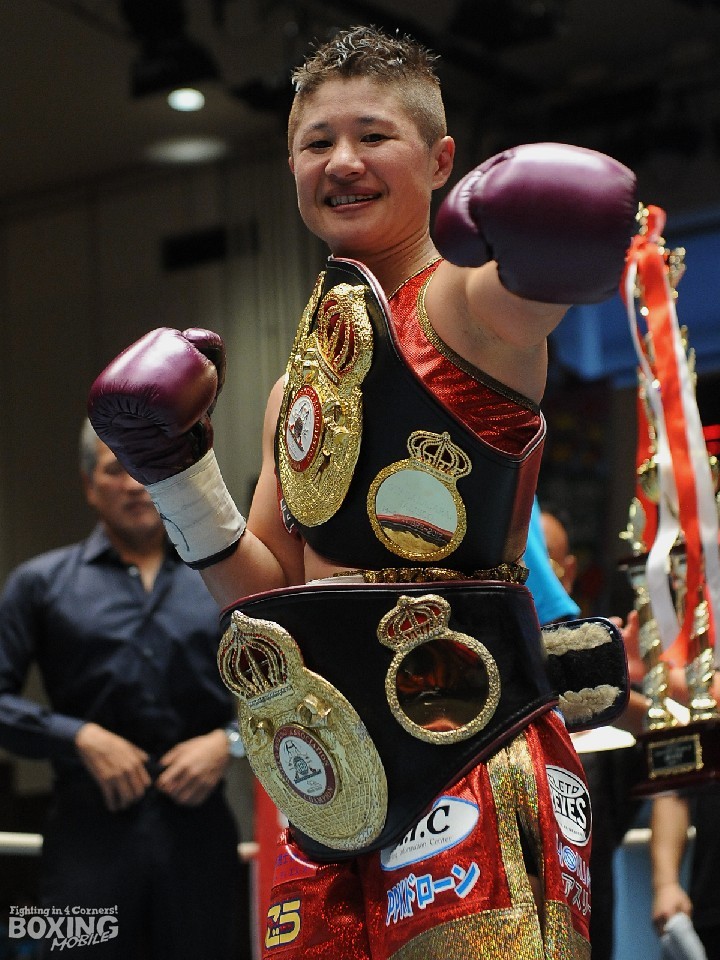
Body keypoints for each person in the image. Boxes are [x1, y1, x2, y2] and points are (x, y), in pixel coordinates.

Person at [86, 24, 638, 959]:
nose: (342, 161)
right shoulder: (292, 389)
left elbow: (542, 283)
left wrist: (556, 238)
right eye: (317, 142)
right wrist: (180, 476)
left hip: (467, 753)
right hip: (331, 782)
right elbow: (266, 596)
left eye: (374, 135)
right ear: (291, 166)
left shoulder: (467, 304)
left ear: (441, 161)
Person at [0, 420, 244, 959]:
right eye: (117, 469)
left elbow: (286, 692)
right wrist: (79, 737)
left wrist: (227, 743)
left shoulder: (224, 580)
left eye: (145, 467)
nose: (135, 483)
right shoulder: (39, 585)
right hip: (84, 840)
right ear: (90, 485)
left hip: (200, 840)